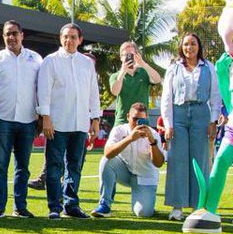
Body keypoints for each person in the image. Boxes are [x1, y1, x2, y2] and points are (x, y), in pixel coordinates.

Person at [37, 23, 101, 220]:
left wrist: (95, 119)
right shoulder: (50, 61)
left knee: (75, 166)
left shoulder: (86, 63)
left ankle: (71, 204)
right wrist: (45, 118)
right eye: (66, 36)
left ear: (80, 40)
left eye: (73, 37)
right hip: (57, 124)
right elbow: (43, 92)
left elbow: (93, 93)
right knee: (55, 166)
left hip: (80, 124)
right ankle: (54, 207)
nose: (69, 41)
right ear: (60, 38)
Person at [159, 32, 221, 221]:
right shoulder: (173, 68)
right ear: (181, 47)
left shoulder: (209, 67)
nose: (189, 48)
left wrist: (213, 120)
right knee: (177, 159)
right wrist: (168, 123)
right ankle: (177, 206)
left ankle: (199, 204)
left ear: (198, 46)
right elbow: (166, 98)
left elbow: (215, 96)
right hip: (178, 114)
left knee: (200, 159)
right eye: (186, 44)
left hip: (201, 114)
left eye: (193, 44)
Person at [0, 20, 42, 219]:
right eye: (7, 34)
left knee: (23, 167)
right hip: (3, 120)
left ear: (22, 35)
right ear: (3, 36)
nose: (11, 37)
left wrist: (42, 118)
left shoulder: (36, 59)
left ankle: (20, 207)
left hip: (28, 121)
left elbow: (41, 90)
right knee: (0, 166)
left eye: (15, 33)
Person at [94, 102, 164, 217]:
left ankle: (146, 200)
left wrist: (152, 142)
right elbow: (107, 153)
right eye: (134, 119)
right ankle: (105, 204)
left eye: (142, 121)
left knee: (143, 213)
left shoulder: (154, 135)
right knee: (106, 161)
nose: (137, 123)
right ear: (127, 117)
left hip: (144, 177)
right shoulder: (119, 130)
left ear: (147, 120)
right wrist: (129, 139)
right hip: (125, 171)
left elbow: (159, 163)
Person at [109, 40, 162, 116]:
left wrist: (143, 64)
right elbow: (115, 92)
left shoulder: (144, 72)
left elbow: (157, 80)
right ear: (121, 57)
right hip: (122, 120)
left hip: (142, 119)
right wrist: (122, 72)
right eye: (126, 55)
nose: (129, 57)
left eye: (131, 54)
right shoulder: (115, 76)